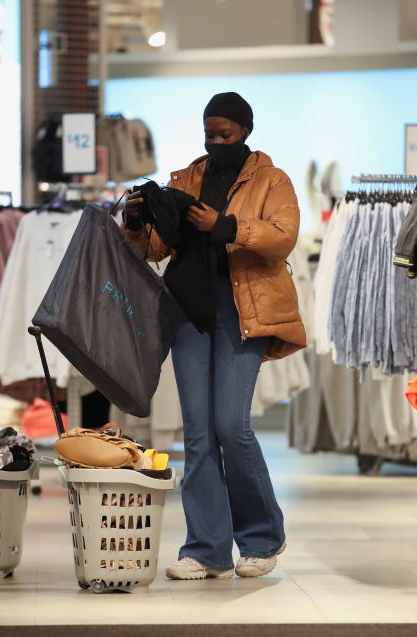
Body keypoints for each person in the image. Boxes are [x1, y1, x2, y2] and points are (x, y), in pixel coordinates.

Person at [123, 92, 306, 580]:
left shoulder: (272, 179)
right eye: (210, 134)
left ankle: (263, 537)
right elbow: (153, 250)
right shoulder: (186, 177)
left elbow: (282, 237)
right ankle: (206, 548)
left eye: (225, 134)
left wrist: (225, 225)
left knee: (231, 425)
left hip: (242, 310)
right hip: (188, 311)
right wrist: (138, 222)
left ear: (245, 129)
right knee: (198, 433)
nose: (216, 142)